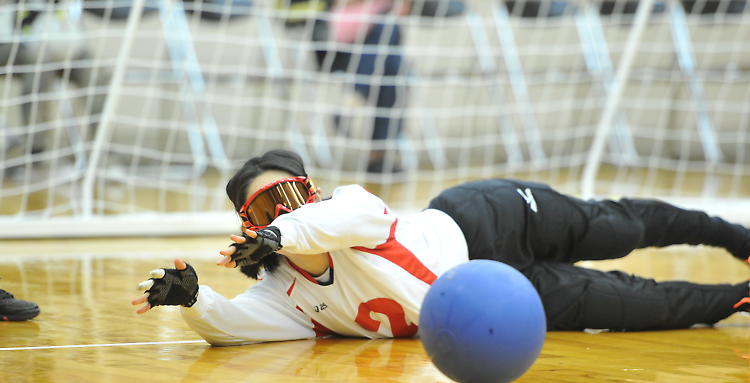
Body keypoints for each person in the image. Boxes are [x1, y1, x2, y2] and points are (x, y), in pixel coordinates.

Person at [132, 149, 750, 346]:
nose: (286, 212)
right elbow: (237, 328)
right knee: (629, 308)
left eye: (292, 195)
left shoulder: (349, 208)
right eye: (266, 208)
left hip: (488, 220)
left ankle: (734, 235)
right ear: (245, 225)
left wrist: (278, 233)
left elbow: (347, 217)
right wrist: (194, 300)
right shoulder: (285, 296)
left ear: (313, 191)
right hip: (493, 300)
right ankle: (742, 298)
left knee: (617, 229)